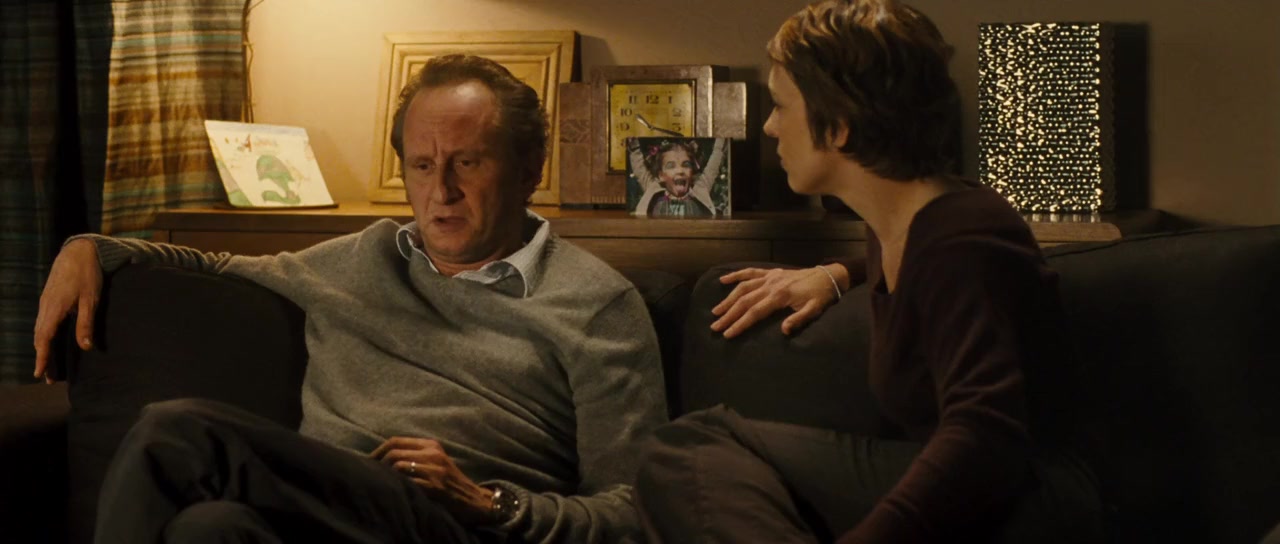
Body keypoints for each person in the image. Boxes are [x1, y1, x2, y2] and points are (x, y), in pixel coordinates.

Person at [32, 54, 667, 544]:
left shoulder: (597, 305)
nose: (441, 191)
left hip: (464, 527)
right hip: (325, 518)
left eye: (468, 163)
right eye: (422, 165)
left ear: (530, 170)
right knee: (210, 529)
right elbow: (210, 264)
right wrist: (91, 248)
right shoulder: (360, 258)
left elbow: (636, 514)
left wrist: (488, 501)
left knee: (177, 432)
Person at [632, 1, 1103, 543]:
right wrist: (837, 273)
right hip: (957, 475)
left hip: (1026, 500)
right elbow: (929, 275)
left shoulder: (964, 238)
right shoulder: (904, 223)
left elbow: (987, 437)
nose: (769, 126)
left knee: (686, 452)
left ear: (840, 126)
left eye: (781, 106)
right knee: (691, 445)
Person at [629, 138, 725, 217]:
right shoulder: (653, 190)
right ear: (661, 175)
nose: (680, 171)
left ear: (692, 172)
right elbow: (639, 167)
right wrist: (634, 146)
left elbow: (715, 162)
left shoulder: (700, 189)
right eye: (671, 166)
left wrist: (721, 138)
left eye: (686, 165)